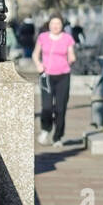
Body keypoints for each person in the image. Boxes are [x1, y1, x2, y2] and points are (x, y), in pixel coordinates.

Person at [33, 14, 77, 148]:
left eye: (58, 23)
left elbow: (71, 54)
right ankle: (45, 130)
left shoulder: (67, 38)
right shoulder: (43, 37)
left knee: (60, 108)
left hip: (63, 76)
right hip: (46, 76)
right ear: (49, 24)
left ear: (62, 25)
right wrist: (38, 65)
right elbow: (35, 54)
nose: (55, 26)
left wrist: (72, 58)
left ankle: (57, 137)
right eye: (53, 23)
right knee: (46, 106)